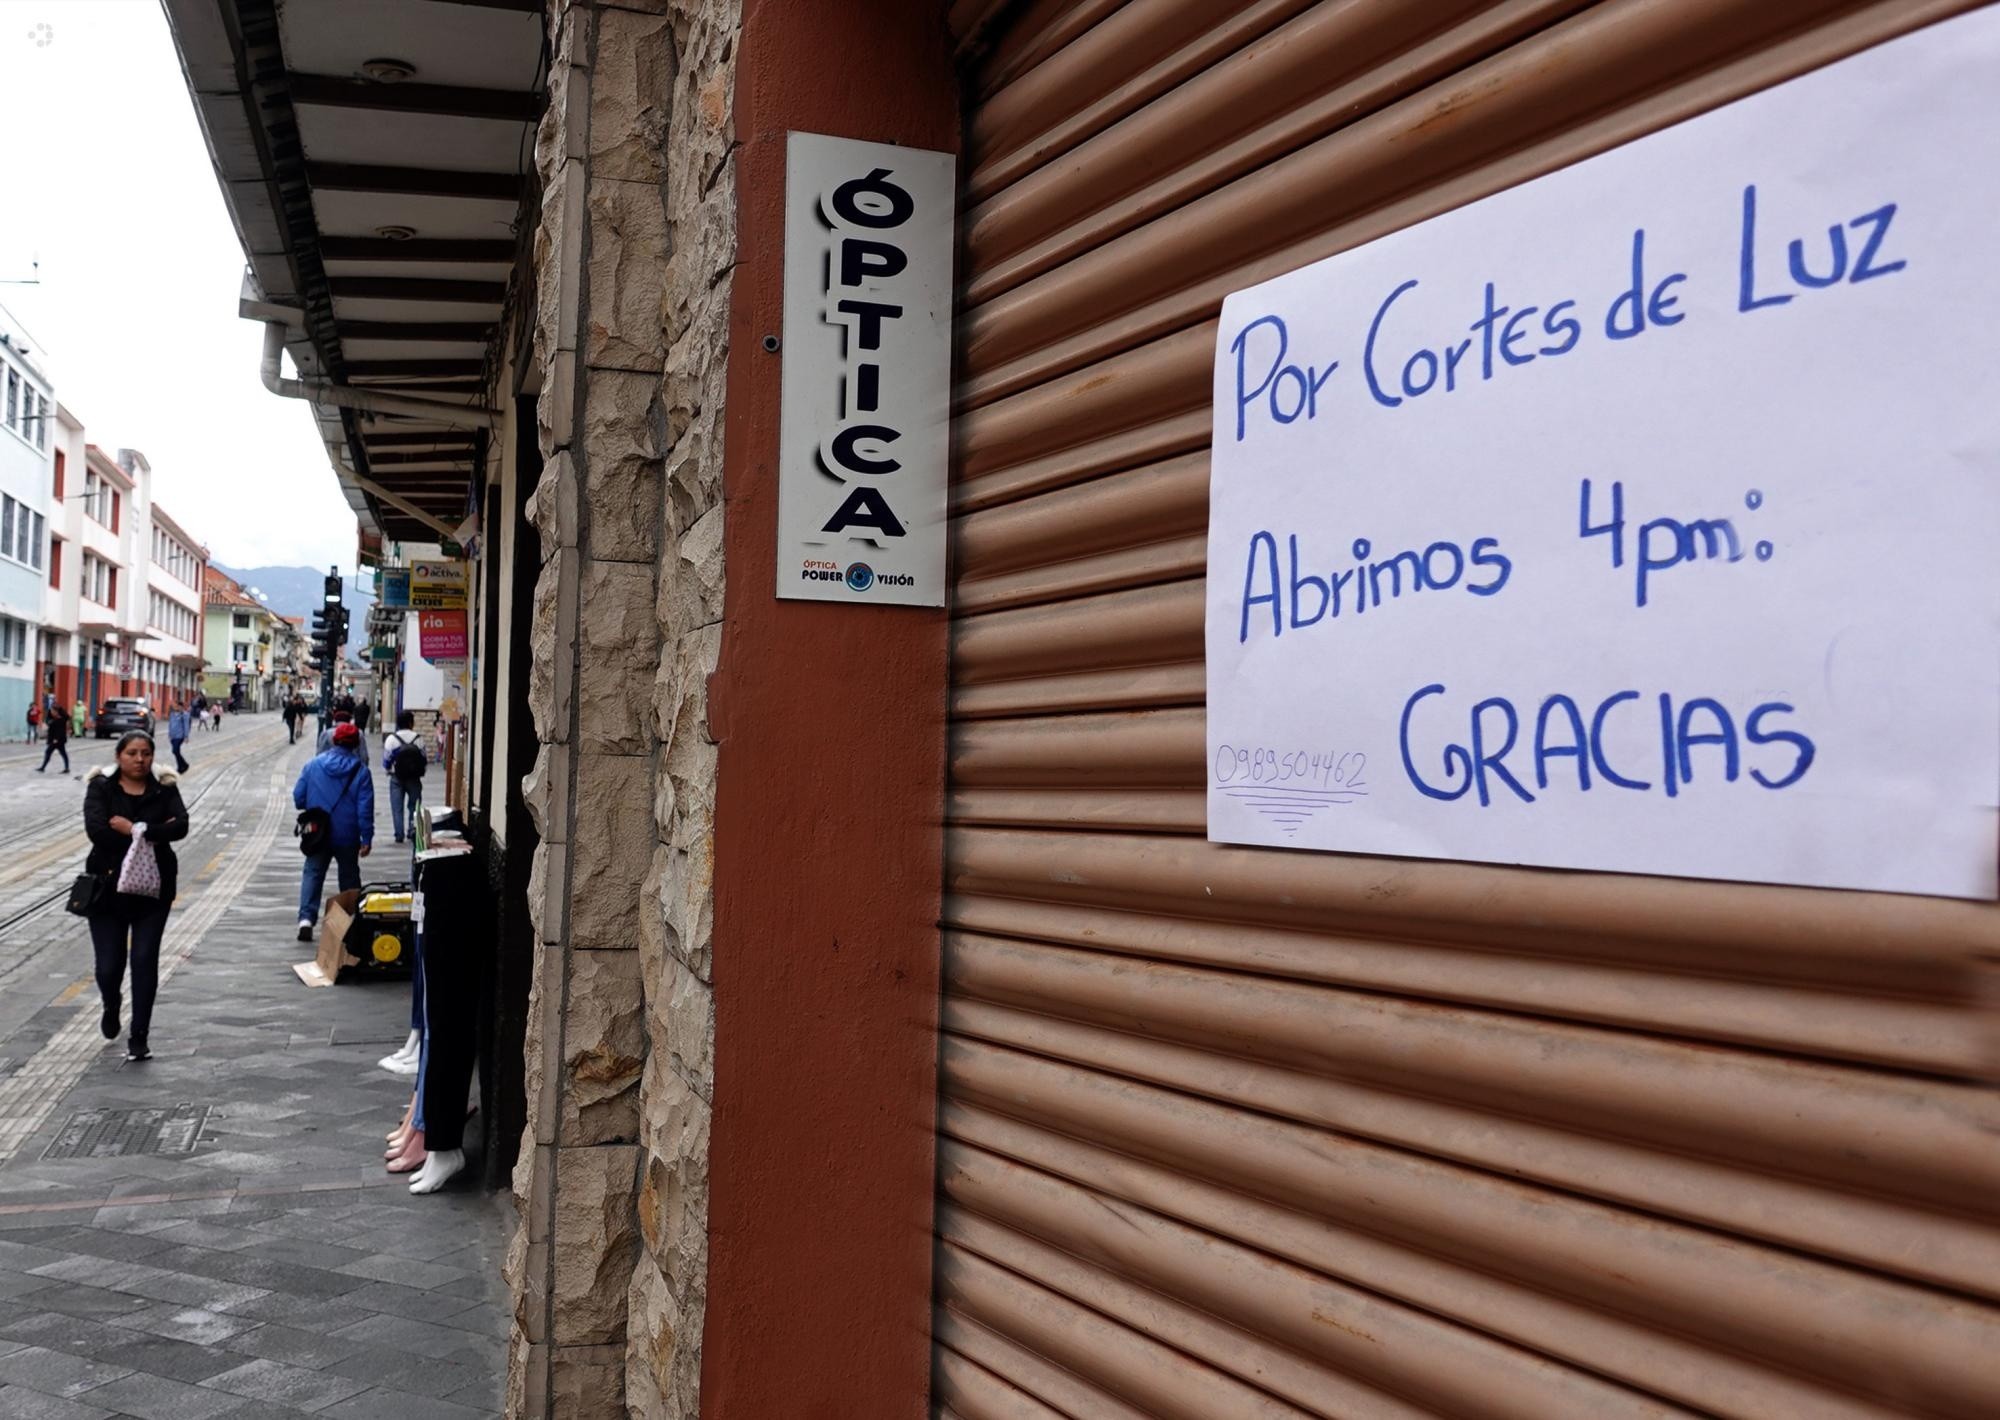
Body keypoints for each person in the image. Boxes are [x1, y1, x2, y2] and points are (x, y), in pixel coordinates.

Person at [81, 733, 188, 1062]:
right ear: (119, 756)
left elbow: (181, 826)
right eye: (132, 753)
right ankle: (111, 1003)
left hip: (153, 890)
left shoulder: (165, 787)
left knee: (144, 959)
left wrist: (135, 830)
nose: (139, 760)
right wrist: (154, 833)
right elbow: (97, 831)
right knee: (109, 966)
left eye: (146, 753)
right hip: (107, 889)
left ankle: (139, 1035)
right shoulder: (101, 788)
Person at [293, 720, 373, 942]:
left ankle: (306, 919)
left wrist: (315, 802)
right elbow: (365, 809)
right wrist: (367, 837)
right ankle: (350, 919)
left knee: (313, 872)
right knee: (349, 875)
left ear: (334, 740)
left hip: (318, 832)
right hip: (348, 833)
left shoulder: (312, 765)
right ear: (355, 744)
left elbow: (298, 798)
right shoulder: (361, 771)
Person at [382, 711, 427, 844]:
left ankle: (399, 834)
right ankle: (412, 830)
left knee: (397, 807)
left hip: (397, 777)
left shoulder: (391, 739)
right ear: (411, 723)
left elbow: (386, 760)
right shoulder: (418, 739)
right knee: (414, 806)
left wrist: (389, 770)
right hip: (414, 778)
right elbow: (424, 759)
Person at [38, 704, 69, 775]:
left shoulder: (61, 719)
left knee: (49, 752)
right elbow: (48, 721)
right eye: (51, 711)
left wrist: (56, 739)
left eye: (53, 711)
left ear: (56, 712)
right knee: (62, 753)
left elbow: (61, 731)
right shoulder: (53, 718)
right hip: (55, 739)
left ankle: (43, 767)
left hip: (57, 740)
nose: (51, 712)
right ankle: (66, 768)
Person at [166, 700, 191, 774]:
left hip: (179, 736)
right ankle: (181, 766)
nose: (177, 708)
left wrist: (186, 736)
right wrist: (170, 734)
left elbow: (186, 726)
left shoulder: (184, 715)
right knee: (176, 752)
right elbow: (170, 724)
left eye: (178, 706)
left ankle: (184, 765)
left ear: (181, 707)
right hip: (173, 736)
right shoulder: (172, 714)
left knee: (175, 751)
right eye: (176, 706)